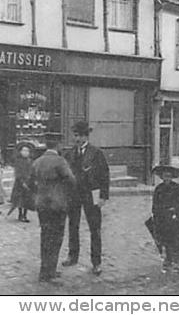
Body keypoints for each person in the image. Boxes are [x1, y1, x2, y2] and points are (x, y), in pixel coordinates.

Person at [63, 121, 110, 275]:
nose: (76, 139)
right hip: (74, 195)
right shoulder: (69, 153)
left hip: (92, 194)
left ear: (85, 136)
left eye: (79, 136)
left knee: (94, 228)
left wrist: (103, 196)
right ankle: (73, 255)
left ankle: (96, 262)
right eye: (75, 136)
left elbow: (105, 175)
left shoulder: (96, 153)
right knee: (73, 225)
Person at [30, 134, 76, 282]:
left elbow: (30, 182)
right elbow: (71, 180)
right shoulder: (60, 162)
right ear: (58, 145)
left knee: (45, 237)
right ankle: (50, 272)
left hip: (42, 205)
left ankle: (45, 271)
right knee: (56, 238)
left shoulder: (37, 161)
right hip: (57, 205)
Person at [151, 164, 179, 273]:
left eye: (169, 176)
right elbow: (155, 204)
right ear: (162, 177)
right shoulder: (159, 189)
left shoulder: (178, 188)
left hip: (175, 219)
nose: (167, 178)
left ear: (172, 177)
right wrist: (156, 216)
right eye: (165, 176)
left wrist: (175, 208)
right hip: (163, 219)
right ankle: (168, 261)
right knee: (166, 241)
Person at [7, 142, 34, 222]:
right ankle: (20, 214)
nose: (25, 153)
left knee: (27, 200)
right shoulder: (18, 161)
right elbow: (18, 172)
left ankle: (25, 214)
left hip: (28, 182)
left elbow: (32, 171)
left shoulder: (30, 161)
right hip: (20, 183)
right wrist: (22, 181)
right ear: (20, 152)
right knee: (20, 200)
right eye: (24, 151)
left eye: (27, 151)